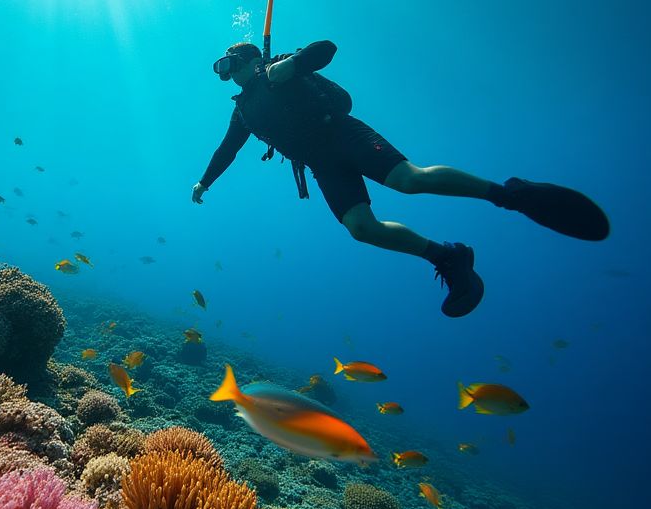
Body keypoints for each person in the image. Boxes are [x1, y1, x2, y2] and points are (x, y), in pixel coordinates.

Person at [192, 40, 608, 317]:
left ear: (248, 59)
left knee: (410, 180)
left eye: (230, 63)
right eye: (221, 68)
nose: (226, 72)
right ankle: (447, 256)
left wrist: (295, 64)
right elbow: (225, 150)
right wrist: (204, 182)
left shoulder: (278, 70)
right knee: (361, 228)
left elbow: (326, 49)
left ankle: (510, 194)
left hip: (343, 134)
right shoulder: (243, 110)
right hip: (322, 164)